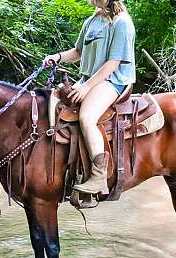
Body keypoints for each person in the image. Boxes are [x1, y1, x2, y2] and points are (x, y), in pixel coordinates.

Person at [44, 0, 136, 195]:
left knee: (87, 118)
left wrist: (86, 87)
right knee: (56, 102)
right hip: (89, 78)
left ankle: (99, 177)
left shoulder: (122, 23)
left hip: (114, 80)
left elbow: (113, 63)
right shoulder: (92, 20)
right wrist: (57, 57)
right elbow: (78, 52)